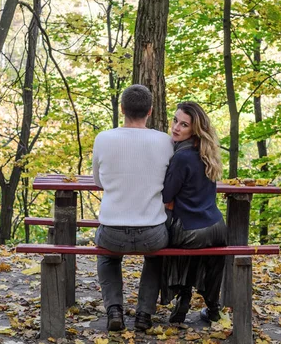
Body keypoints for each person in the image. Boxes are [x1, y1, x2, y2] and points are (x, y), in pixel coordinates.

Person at [92, 84, 174, 332]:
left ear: (122, 109)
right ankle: (144, 315)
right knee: (156, 258)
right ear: (150, 110)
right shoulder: (165, 141)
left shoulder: (103, 138)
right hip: (153, 233)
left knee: (106, 256)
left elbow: (98, 182)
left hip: (112, 232)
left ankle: (114, 309)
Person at [161, 101, 227, 324]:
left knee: (167, 237)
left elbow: (166, 195)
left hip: (191, 229)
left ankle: (184, 296)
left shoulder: (181, 156)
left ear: (194, 129)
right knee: (200, 246)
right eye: (175, 120)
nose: (176, 127)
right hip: (218, 227)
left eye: (184, 124)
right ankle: (213, 308)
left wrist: (171, 202)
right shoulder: (207, 153)